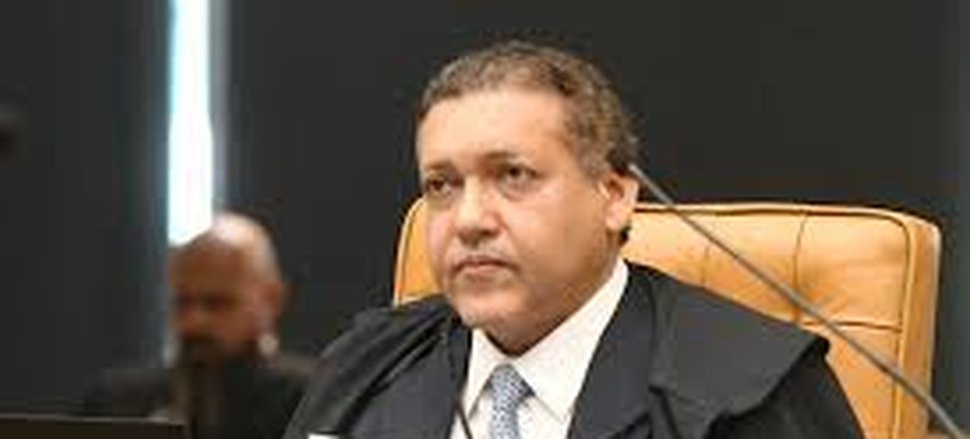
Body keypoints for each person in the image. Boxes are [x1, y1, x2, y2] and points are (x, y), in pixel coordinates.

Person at [285, 40, 863, 438]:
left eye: (513, 175)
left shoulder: (751, 391)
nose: (468, 219)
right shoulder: (364, 369)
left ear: (613, 197)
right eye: (441, 185)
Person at [81, 213, 313, 439]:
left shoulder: (312, 401)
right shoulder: (116, 402)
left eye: (217, 303)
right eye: (183, 302)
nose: (196, 320)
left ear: (272, 298)